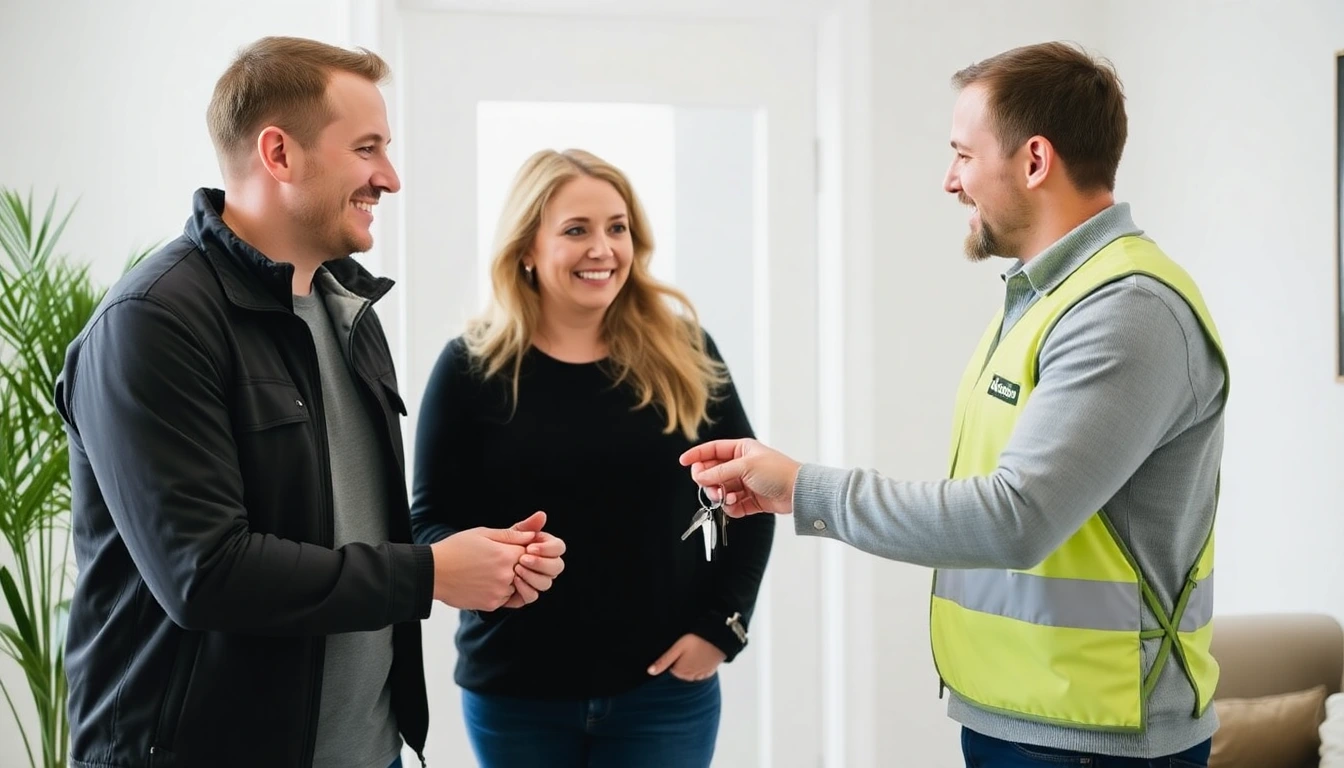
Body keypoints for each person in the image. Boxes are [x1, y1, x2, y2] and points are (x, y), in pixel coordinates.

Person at [681, 41, 1230, 767]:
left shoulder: (1125, 311)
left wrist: (802, 488)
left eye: (963, 155)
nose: (949, 181)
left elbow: (1014, 519)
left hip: (1094, 741)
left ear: (1034, 161)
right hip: (1026, 717)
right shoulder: (1047, 300)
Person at [54, 36, 565, 768]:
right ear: (279, 154)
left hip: (367, 752)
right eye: (366, 149)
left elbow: (343, 524)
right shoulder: (152, 321)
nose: (389, 177)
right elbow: (207, 573)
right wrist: (430, 574)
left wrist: (475, 562)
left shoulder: (346, 307)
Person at [410, 148, 774, 767]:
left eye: (617, 227)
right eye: (576, 230)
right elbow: (427, 521)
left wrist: (722, 629)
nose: (602, 248)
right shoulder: (472, 368)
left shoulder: (684, 351)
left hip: (662, 692)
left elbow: (751, 496)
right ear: (527, 247)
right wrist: (490, 561)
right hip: (514, 692)